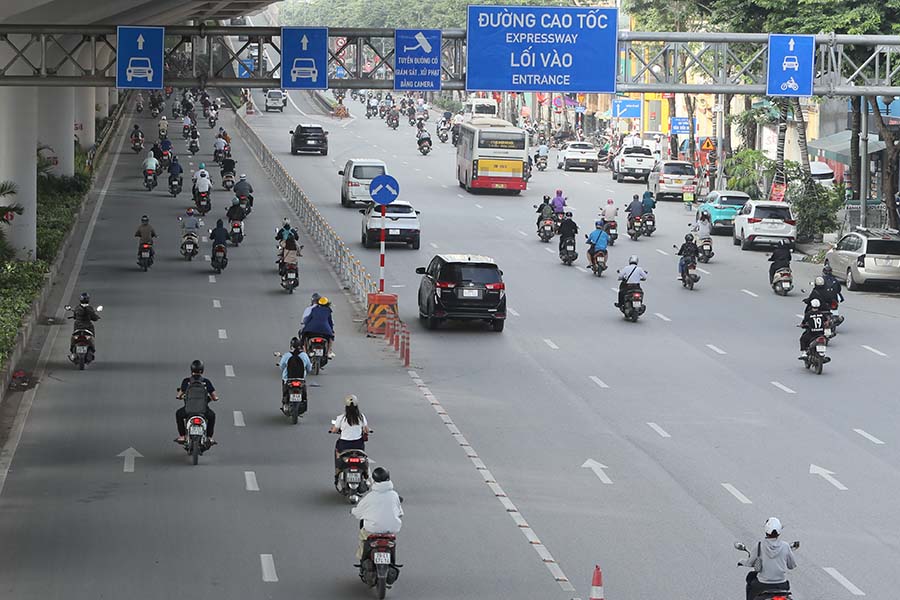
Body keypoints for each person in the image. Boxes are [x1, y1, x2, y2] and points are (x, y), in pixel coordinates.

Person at [350, 466, 403, 561]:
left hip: (373, 529)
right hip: (391, 529)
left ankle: (363, 559)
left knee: (363, 537)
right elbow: (400, 513)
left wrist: (353, 511)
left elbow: (358, 512)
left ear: (374, 480)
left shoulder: (370, 496)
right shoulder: (394, 495)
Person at [738, 517, 797, 600]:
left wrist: (741, 561)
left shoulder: (759, 545)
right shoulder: (785, 546)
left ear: (766, 530)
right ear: (779, 531)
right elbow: (792, 566)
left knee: (750, 579)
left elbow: (750, 563)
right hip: (781, 584)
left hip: (762, 584)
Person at [174, 359, 218, 445]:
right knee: (212, 416)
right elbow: (215, 396)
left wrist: (180, 396)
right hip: (203, 410)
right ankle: (209, 437)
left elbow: (178, 395)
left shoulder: (186, 381)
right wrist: (214, 398)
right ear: (202, 370)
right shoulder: (206, 382)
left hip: (188, 410)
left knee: (178, 414)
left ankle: (183, 436)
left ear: (191, 370)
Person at [329, 395, 370, 482]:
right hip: (358, 444)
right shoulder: (361, 417)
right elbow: (366, 430)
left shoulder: (341, 418)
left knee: (338, 455)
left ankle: (337, 472)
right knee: (363, 457)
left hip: (344, 445)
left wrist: (332, 430)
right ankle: (366, 472)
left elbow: (335, 430)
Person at [279, 337, 311, 411]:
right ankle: (303, 402)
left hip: (288, 379)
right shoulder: (304, 355)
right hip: (301, 379)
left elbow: (281, 366)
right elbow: (309, 368)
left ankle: (285, 403)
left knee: (285, 391)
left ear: (291, 346)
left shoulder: (287, 355)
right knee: (304, 393)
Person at [68, 292, 100, 358]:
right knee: (92, 337)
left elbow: (75, 316)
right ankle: (91, 348)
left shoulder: (77, 308)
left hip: (78, 327)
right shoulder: (90, 308)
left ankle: (72, 350)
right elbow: (94, 317)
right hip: (88, 327)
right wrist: (96, 317)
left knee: (73, 337)